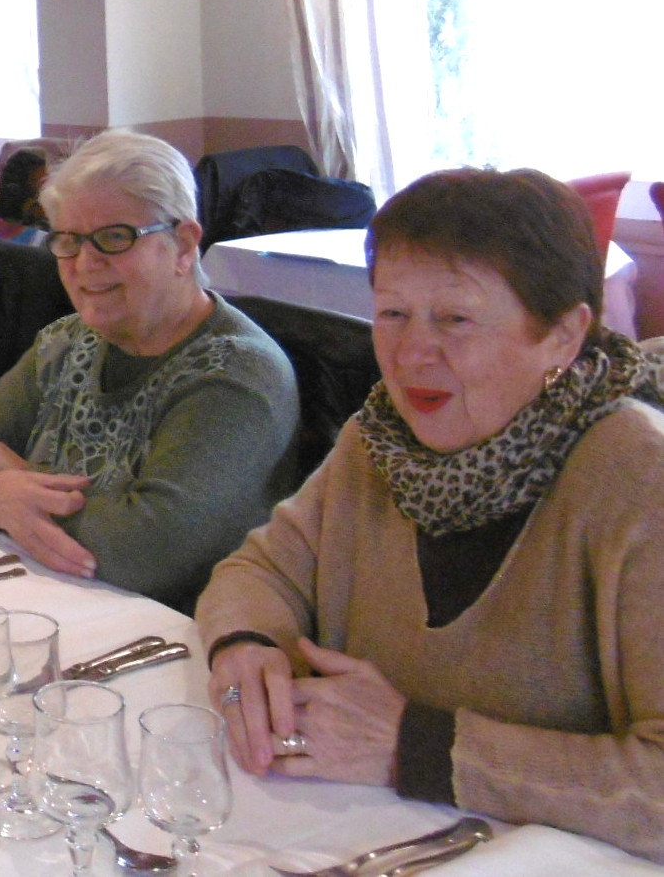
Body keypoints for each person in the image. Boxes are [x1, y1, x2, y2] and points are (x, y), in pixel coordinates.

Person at [196, 167, 664, 863]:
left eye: (454, 318)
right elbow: (259, 568)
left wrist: (417, 746)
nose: (411, 353)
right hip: (359, 838)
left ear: (563, 336)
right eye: (391, 313)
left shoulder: (636, 480)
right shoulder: (379, 440)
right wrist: (247, 643)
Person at [0, 129, 299, 613]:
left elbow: (146, 551)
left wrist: (13, 473)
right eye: (69, 241)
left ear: (184, 245)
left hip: (170, 643)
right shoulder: (67, 339)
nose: (85, 264)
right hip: (48, 604)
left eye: (115, 238)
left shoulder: (237, 373)